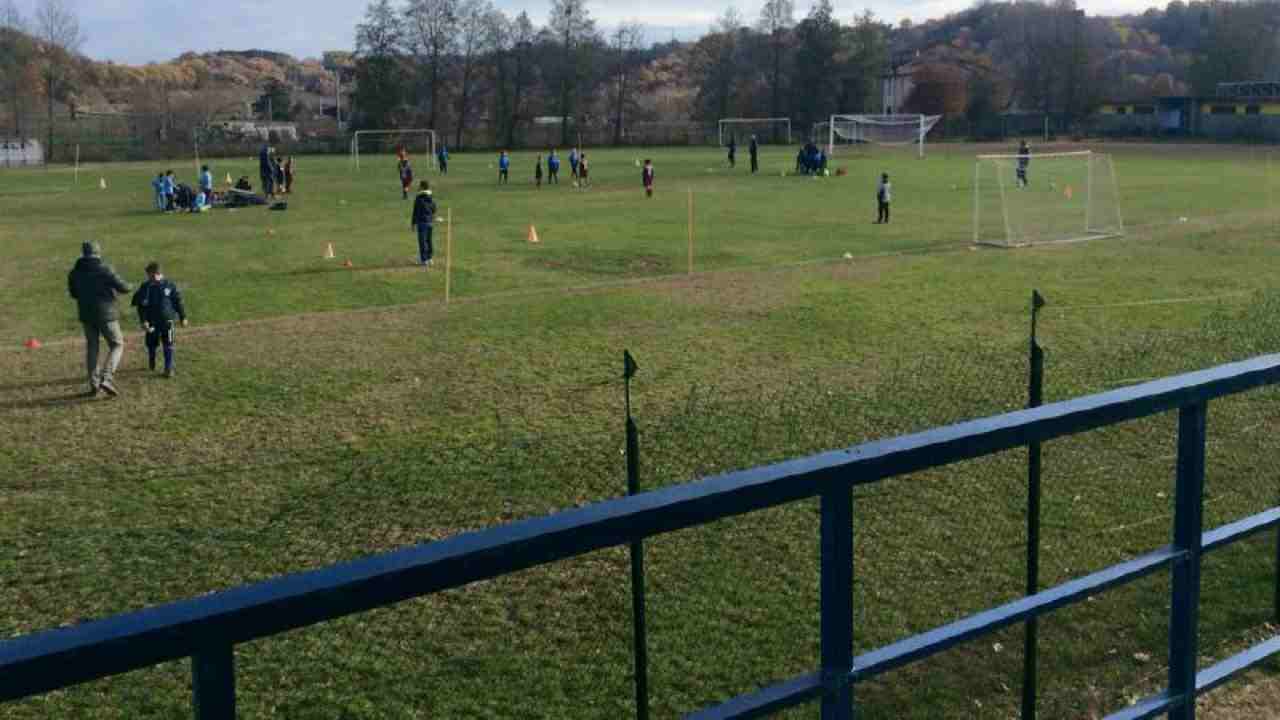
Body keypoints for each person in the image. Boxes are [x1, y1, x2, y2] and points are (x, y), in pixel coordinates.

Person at [68, 241, 131, 397]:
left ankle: (94, 384)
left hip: (86, 315)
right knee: (117, 344)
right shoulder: (105, 268)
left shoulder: (74, 272)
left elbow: (73, 293)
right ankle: (107, 378)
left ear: (83, 253)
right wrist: (130, 286)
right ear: (98, 252)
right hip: (106, 314)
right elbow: (123, 287)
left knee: (92, 348)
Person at [131, 261, 188, 378]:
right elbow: (140, 306)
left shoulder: (169, 285)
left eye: (150, 275)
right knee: (151, 344)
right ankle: (152, 361)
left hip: (168, 321)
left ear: (156, 273)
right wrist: (144, 321)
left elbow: (178, 302)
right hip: (152, 322)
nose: (149, 277)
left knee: (168, 343)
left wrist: (183, 317)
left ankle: (168, 368)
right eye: (148, 275)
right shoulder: (145, 287)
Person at [411, 181, 437, 267]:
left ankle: (424, 260)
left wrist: (413, 223)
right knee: (429, 241)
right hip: (430, 222)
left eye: (419, 186)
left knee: (422, 241)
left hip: (422, 222)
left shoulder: (419, 198)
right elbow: (434, 209)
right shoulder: (431, 197)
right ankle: (429, 258)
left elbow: (415, 211)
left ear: (422, 187)